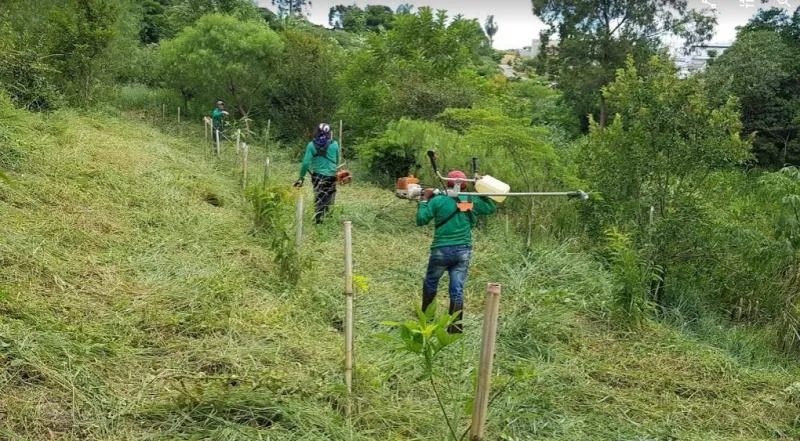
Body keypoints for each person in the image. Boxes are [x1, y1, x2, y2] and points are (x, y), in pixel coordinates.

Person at [417, 170, 496, 333]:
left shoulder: (438, 200)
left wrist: (424, 200)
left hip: (440, 250)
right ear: (465, 185)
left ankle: (427, 321)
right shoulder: (470, 200)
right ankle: (455, 327)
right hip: (462, 252)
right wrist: (482, 192)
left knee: (431, 282)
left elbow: (421, 220)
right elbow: (490, 208)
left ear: (447, 184)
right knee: (457, 289)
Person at [294, 123, 340, 224]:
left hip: (318, 175)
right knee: (330, 195)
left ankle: (319, 220)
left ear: (317, 132)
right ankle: (328, 217)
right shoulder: (335, 144)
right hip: (331, 175)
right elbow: (337, 160)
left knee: (319, 196)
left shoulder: (311, 145)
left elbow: (306, 163)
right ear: (329, 133)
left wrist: (301, 177)